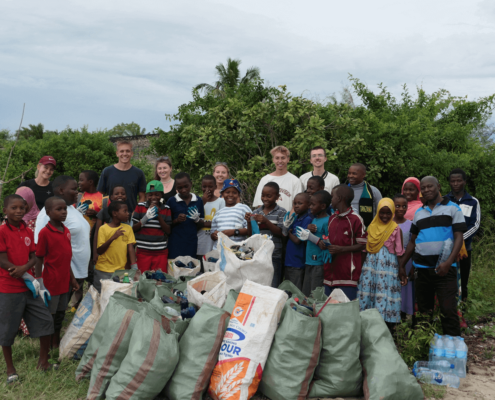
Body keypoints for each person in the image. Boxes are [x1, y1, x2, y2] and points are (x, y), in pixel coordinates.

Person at [398, 176, 467, 337]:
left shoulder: (452, 208)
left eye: (430, 186)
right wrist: (403, 264)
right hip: (422, 269)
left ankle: (453, 348)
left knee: (448, 309)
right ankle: (424, 347)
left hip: (445, 269)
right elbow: (413, 241)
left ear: (438, 186)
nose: (427, 190)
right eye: (424, 188)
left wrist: (449, 262)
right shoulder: (419, 213)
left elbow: (459, 237)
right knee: (423, 311)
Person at [0, 194, 54, 382]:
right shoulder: (2, 231)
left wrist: (25, 269)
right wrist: (17, 270)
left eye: (22, 208)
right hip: (8, 288)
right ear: (5, 210)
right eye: (13, 208)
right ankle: (10, 369)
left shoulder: (27, 230)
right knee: (7, 330)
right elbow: (1, 258)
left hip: (29, 286)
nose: (18, 211)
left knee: (46, 321)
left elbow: (34, 256)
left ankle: (43, 362)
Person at [35, 176, 91, 301]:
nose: (77, 192)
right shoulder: (48, 213)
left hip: (75, 272)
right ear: (61, 190)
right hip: (60, 275)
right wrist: (41, 279)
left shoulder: (70, 209)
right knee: (53, 313)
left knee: (61, 311)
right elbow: (39, 247)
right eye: (73, 189)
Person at [35, 196, 79, 352]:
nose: (63, 212)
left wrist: (73, 279)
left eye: (64, 209)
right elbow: (38, 259)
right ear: (48, 212)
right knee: (50, 316)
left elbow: (67, 260)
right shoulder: (44, 233)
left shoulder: (66, 231)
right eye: (58, 209)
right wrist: (39, 281)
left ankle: (56, 342)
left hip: (64, 282)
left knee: (60, 314)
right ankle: (46, 346)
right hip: (51, 283)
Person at [358, 198, 404, 331]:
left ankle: (387, 326)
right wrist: (361, 269)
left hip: (388, 266)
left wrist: (402, 269)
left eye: (388, 213)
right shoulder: (371, 227)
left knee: (386, 291)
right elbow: (365, 250)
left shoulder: (395, 229)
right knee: (370, 292)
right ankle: (368, 324)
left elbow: (399, 251)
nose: (385, 216)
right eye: (382, 213)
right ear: (377, 212)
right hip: (371, 266)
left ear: (393, 213)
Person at [324, 185, 367, 300]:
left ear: (339, 198)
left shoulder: (356, 219)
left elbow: (363, 244)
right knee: (328, 308)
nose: (331, 199)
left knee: (346, 308)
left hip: (348, 273)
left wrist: (341, 249)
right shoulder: (332, 217)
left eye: (333, 196)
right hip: (330, 272)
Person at [447, 168, 480, 301]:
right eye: (453, 181)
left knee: (463, 280)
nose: (456, 183)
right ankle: (448, 309)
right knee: (448, 279)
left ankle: (463, 311)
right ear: (449, 182)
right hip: (447, 247)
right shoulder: (444, 200)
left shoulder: (473, 201)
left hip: (465, 248)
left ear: (464, 182)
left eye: (459, 181)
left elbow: (476, 224)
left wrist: (460, 240)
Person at [246, 182, 286, 287]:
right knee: (259, 283)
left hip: (274, 254)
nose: (265, 198)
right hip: (258, 254)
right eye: (263, 195)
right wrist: (249, 222)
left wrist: (266, 221)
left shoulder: (281, 212)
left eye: (269, 196)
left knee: (273, 284)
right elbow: (251, 235)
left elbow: (281, 233)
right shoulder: (257, 211)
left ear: (277, 197)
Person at [94, 201, 137, 292]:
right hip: (103, 271)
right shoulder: (103, 229)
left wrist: (134, 267)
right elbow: (100, 250)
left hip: (120, 272)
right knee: (102, 297)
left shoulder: (128, 228)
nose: (128, 213)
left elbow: (130, 249)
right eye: (124, 211)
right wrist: (113, 237)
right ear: (115, 213)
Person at [295, 190, 331, 296]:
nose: (310, 207)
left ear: (323, 206)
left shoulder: (327, 221)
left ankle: (316, 312)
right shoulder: (314, 219)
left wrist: (311, 236)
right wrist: (307, 230)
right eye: (310, 204)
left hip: (319, 263)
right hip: (309, 261)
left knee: (316, 293)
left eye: (313, 204)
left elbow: (327, 244)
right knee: (306, 293)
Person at [97, 140, 146, 215]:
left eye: (128, 151)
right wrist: (105, 212)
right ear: (117, 153)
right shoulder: (107, 172)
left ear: (132, 153)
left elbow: (142, 197)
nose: (125, 154)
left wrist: (136, 212)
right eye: (122, 151)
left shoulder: (139, 173)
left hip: (131, 217)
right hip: (111, 217)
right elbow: (100, 195)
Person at [132, 181, 172, 273]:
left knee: (159, 279)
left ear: (161, 195)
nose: (153, 197)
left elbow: (168, 230)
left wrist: (158, 216)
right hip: (142, 251)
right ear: (146, 196)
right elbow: (133, 228)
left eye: (157, 195)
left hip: (160, 252)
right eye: (150, 195)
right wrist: (145, 218)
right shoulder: (140, 207)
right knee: (142, 278)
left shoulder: (166, 209)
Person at [253, 146, 303, 212]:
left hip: (288, 220)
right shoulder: (265, 180)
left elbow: (296, 206)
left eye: (283, 158)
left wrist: (288, 220)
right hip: (266, 220)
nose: (280, 161)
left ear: (288, 159)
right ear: (273, 159)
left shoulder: (295, 181)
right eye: (277, 158)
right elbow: (259, 204)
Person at [167, 172, 205, 259]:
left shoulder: (198, 200)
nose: (183, 190)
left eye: (186, 186)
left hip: (191, 242)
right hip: (175, 243)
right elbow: (167, 224)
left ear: (191, 184)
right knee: (175, 268)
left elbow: (202, 223)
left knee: (190, 268)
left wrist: (197, 220)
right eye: (180, 188)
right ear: (176, 188)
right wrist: (177, 220)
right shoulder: (172, 201)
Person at [282, 192, 313, 290]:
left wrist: (289, 232)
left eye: (300, 203)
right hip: (289, 260)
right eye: (295, 203)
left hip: (298, 262)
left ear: (308, 205)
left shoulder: (307, 219)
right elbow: (284, 236)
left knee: (296, 291)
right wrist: (286, 229)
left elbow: (297, 240)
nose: (296, 206)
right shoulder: (295, 218)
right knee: (288, 289)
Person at [93, 185, 129, 267]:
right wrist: (95, 252)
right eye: (117, 194)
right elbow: (96, 233)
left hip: (120, 254)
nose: (120, 195)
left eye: (122, 194)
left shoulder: (127, 213)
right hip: (104, 252)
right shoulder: (104, 211)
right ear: (111, 197)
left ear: (126, 197)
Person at [211, 179, 251, 248]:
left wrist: (234, 232)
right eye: (227, 192)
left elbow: (251, 230)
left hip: (238, 250)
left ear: (238, 194)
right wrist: (214, 235)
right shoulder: (218, 213)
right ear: (222, 193)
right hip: (219, 250)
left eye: (234, 193)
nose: (231, 195)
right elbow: (212, 233)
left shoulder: (243, 208)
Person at [393, 194, 415, 318]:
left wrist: (411, 265)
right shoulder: (388, 223)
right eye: (397, 206)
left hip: (407, 260)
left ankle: (404, 315)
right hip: (391, 260)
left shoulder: (411, 224)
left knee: (406, 287)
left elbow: (413, 244)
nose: (401, 209)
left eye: (404, 206)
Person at [197, 175, 225, 258]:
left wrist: (202, 224)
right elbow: (194, 220)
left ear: (215, 187)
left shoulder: (221, 201)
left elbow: (221, 222)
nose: (207, 189)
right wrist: (203, 201)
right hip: (200, 241)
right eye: (204, 186)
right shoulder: (197, 201)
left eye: (210, 186)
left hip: (214, 242)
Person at [347, 163, 382, 228]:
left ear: (363, 175)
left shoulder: (373, 191)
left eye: (354, 173)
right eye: (349, 173)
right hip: (346, 229)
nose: (350, 176)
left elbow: (380, 212)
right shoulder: (343, 191)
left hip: (368, 230)